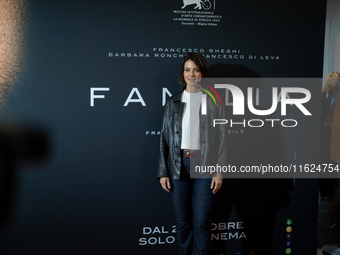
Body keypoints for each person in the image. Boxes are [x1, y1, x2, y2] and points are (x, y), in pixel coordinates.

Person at [157, 53, 227, 255]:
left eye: (196, 69)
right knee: (182, 223)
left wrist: (220, 170)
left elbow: (223, 138)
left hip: (205, 164)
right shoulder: (172, 102)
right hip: (178, 166)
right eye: (187, 69)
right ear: (183, 73)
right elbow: (163, 138)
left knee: (202, 223)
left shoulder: (214, 101)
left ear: (202, 72)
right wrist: (163, 171)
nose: (192, 74)